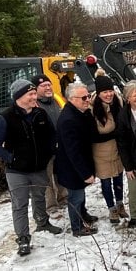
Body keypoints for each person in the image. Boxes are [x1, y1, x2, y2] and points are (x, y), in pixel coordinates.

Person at [0, 79, 62, 256]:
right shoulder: (4, 118)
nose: (34, 97)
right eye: (30, 94)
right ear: (19, 97)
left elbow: (52, 135)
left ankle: (43, 223)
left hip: (38, 168)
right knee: (20, 204)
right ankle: (23, 238)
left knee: (39, 198)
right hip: (17, 171)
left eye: (34, 93)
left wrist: (49, 151)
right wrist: (12, 158)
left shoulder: (40, 114)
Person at [56, 82, 99, 237]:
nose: (87, 99)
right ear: (72, 99)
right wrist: (85, 173)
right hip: (72, 168)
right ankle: (77, 227)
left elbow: (92, 133)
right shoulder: (68, 120)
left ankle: (84, 214)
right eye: (83, 97)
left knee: (80, 195)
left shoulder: (81, 112)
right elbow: (73, 152)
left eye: (88, 96)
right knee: (76, 197)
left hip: (79, 164)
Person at [91, 75, 128, 223]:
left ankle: (120, 204)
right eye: (104, 92)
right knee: (106, 182)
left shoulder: (118, 104)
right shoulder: (93, 110)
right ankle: (111, 208)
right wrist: (115, 134)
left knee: (118, 180)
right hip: (101, 153)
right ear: (99, 93)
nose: (108, 94)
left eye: (110, 90)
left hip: (117, 151)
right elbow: (93, 136)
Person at [31, 74, 68, 209]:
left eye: (49, 84)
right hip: (44, 149)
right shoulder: (33, 105)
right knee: (47, 177)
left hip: (60, 145)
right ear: (36, 89)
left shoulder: (56, 100)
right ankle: (51, 204)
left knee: (61, 173)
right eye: (43, 85)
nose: (48, 87)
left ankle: (63, 197)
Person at [116, 80, 136, 228]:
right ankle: (135, 215)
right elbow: (122, 143)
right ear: (127, 98)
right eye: (134, 95)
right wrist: (128, 167)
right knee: (135, 190)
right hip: (134, 159)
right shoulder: (123, 116)